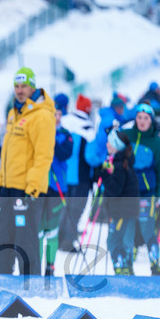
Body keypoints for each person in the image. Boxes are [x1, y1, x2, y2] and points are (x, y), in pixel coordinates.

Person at [0, 67, 56, 275]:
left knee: (25, 240)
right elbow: (8, 154)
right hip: (8, 187)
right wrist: (1, 184)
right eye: (17, 86)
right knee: (2, 237)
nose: (20, 90)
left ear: (33, 87)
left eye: (24, 86)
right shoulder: (13, 113)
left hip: (27, 190)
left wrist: (33, 188)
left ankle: (31, 286)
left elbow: (43, 156)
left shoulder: (42, 116)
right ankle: (0, 281)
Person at [125, 103, 160, 275]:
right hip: (127, 191)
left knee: (147, 228)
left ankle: (155, 265)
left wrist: (157, 194)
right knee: (127, 228)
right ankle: (127, 266)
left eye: (146, 118)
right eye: (139, 117)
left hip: (146, 191)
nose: (142, 121)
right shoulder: (127, 135)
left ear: (151, 120)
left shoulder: (156, 142)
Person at [58, 94, 96, 251]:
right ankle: (68, 240)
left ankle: (60, 237)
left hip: (64, 174)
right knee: (77, 208)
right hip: (82, 175)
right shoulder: (88, 128)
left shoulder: (64, 122)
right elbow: (91, 157)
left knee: (64, 207)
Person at [40, 104, 74, 276]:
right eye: (53, 113)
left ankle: (50, 266)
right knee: (38, 230)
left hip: (57, 187)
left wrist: (51, 136)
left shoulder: (65, 135)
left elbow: (64, 154)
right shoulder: (38, 131)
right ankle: (34, 267)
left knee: (51, 230)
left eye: (58, 113)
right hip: (38, 186)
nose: (56, 117)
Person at [101, 130, 139, 274]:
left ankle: (121, 268)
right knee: (123, 239)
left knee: (114, 240)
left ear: (116, 145)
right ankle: (126, 269)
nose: (107, 144)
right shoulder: (121, 160)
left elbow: (115, 188)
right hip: (125, 208)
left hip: (123, 209)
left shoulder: (119, 163)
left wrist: (104, 175)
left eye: (110, 142)